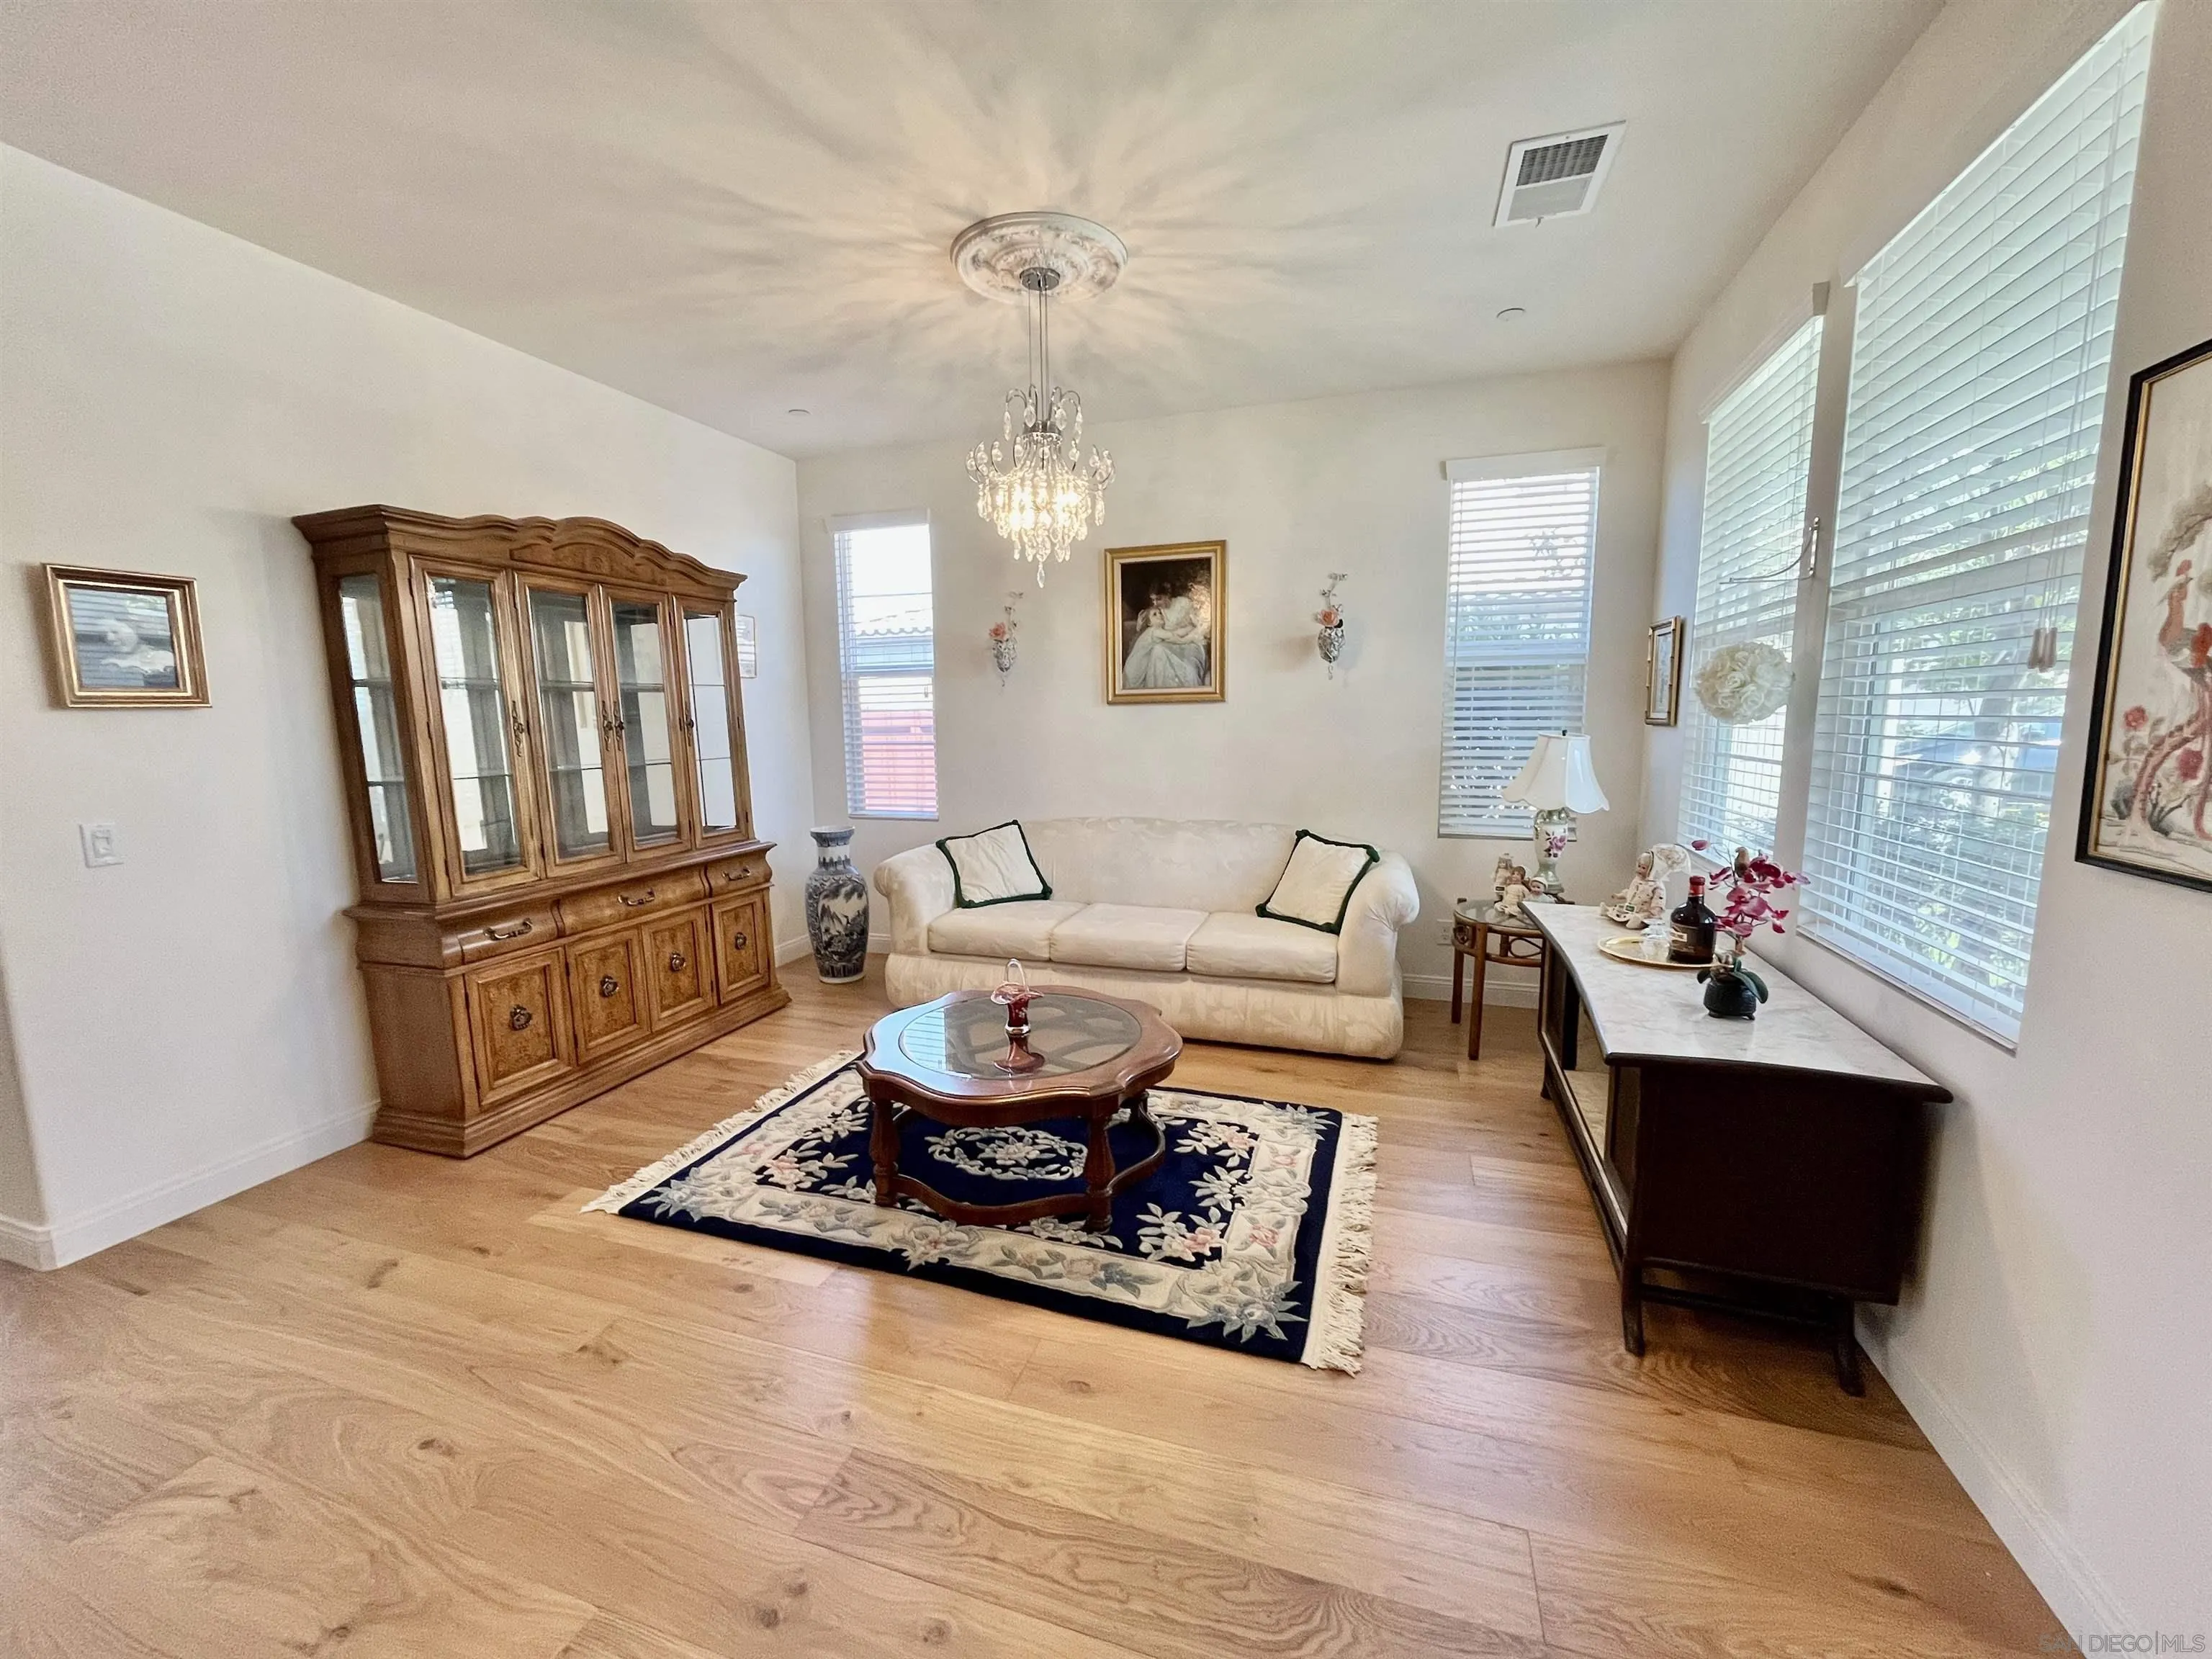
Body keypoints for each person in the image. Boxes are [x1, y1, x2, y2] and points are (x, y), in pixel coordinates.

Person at [1123, 577, 1210, 690]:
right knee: (1158, 650)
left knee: (1186, 667)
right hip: (1170, 642)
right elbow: (1153, 626)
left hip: (1189, 643)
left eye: (1158, 599)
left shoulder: (1184, 603)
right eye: (1153, 600)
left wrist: (1188, 636)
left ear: (1168, 595)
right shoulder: (1158, 612)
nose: (1155, 603)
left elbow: (1196, 625)